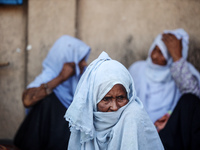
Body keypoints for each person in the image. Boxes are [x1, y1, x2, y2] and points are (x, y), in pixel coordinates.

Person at [64, 52, 164, 150]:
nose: (115, 107)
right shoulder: (85, 124)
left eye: (120, 98)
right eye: (106, 99)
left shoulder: (133, 117)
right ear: (92, 100)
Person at [14, 35, 91, 150]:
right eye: (81, 59)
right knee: (46, 101)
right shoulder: (48, 78)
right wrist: (60, 78)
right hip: (44, 142)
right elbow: (27, 100)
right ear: (67, 59)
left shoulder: (83, 80)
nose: (85, 64)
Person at [128, 28, 200, 149]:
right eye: (154, 49)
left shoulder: (182, 71)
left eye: (162, 53)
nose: (155, 56)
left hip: (169, 136)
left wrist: (177, 59)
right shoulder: (137, 69)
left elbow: (192, 101)